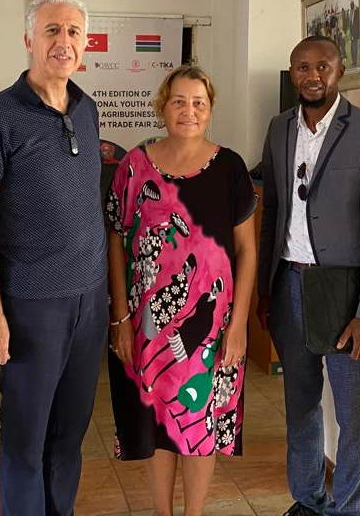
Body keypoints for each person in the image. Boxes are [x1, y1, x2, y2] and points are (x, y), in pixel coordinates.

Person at [0, 0, 107, 516]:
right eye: (52, 30)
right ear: (29, 40)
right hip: (30, 306)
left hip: (89, 303)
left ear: (85, 45)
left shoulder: (87, 110)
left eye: (73, 32)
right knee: (25, 440)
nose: (63, 41)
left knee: (68, 437)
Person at [257, 36, 360, 516]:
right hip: (289, 286)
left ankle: (347, 510)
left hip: (346, 296)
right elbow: (273, 212)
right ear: (292, 72)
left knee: (352, 417)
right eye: (302, 67)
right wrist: (265, 293)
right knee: (300, 405)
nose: (312, 75)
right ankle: (309, 500)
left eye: (322, 66)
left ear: (340, 71)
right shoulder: (279, 128)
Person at [106, 65, 257, 516]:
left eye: (198, 103)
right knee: (156, 421)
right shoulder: (135, 165)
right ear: (162, 106)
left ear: (210, 110)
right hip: (147, 324)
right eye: (178, 102)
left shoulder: (230, 168)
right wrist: (120, 318)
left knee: (201, 423)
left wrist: (239, 326)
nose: (188, 111)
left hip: (213, 327)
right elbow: (116, 240)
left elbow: (247, 251)